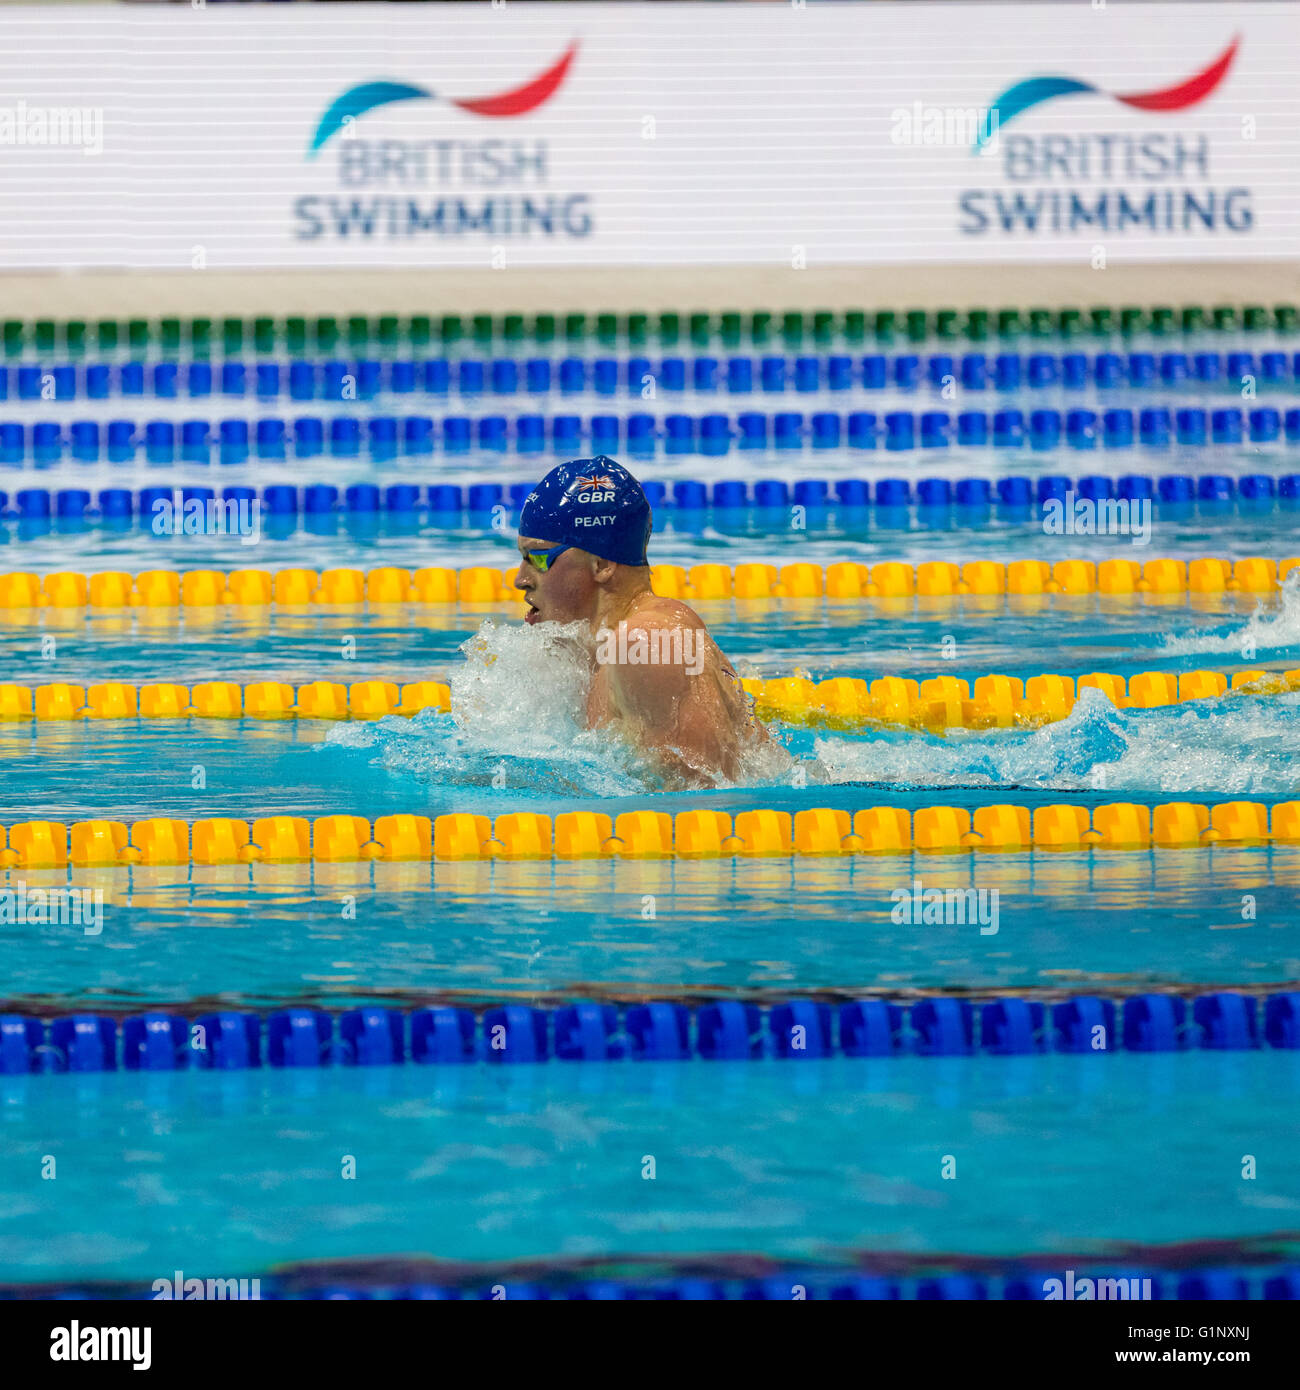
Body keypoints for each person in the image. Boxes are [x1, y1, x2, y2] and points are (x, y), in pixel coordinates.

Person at [513, 456, 774, 787]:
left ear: (602, 564)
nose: (521, 580)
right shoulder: (601, 651)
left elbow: (708, 805)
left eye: (537, 558)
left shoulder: (648, 641)